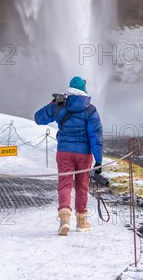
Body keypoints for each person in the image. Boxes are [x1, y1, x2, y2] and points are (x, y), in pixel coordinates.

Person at [34, 76, 103, 236]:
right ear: (84, 91)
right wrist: (98, 160)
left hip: (64, 151)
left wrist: (52, 104)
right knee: (82, 185)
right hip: (84, 154)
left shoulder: (59, 106)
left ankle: (64, 220)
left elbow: (38, 118)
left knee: (64, 184)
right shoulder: (90, 109)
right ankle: (81, 222)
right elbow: (96, 135)